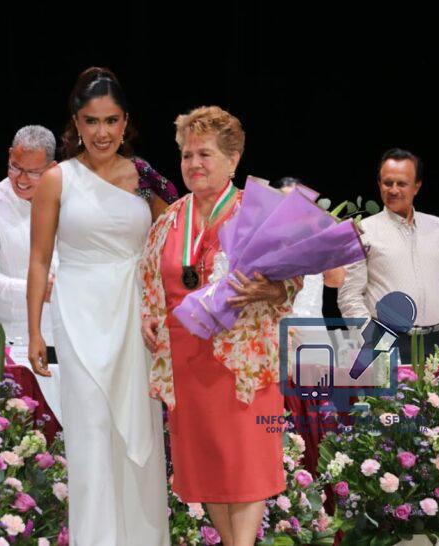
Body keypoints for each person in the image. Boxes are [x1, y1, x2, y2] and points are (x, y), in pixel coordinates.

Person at [27, 67, 177, 545]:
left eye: (111, 120)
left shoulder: (145, 179)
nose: (102, 132)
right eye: (91, 121)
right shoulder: (56, 179)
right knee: (90, 433)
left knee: (139, 435)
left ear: (125, 121)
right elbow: (38, 259)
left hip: (135, 318)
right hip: (78, 314)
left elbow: (172, 246)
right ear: (76, 122)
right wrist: (35, 332)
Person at [140, 106, 302, 546]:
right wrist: (149, 318)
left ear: (233, 160)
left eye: (205, 154)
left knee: (246, 466)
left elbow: (292, 283)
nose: (194, 164)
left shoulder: (259, 213)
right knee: (208, 470)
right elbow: (151, 283)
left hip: (244, 364)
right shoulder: (169, 219)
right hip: (187, 364)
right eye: (187, 155)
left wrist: (270, 290)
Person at [338, 148, 439, 363]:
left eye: (401, 184)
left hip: (438, 341)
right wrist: (370, 337)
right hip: (386, 341)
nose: (393, 190)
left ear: (417, 186)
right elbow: (349, 295)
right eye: (387, 183)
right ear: (379, 184)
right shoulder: (363, 232)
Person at [0, 125, 58, 357]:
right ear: (10, 154)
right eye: (15, 167)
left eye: (33, 172)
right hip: (12, 339)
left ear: (52, 168)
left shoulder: (69, 201)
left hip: (69, 336)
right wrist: (37, 288)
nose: (21, 179)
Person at [274, 177, 345, 318]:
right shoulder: (263, 240)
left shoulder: (316, 239)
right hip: (274, 322)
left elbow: (336, 280)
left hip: (310, 323)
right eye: (286, 202)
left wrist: (321, 234)